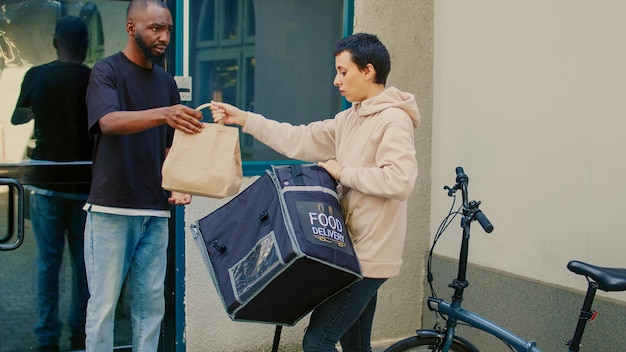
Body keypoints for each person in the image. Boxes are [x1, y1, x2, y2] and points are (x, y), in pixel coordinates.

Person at [210, 32, 420, 352]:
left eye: (342, 71)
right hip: (350, 251)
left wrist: (342, 172)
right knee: (356, 344)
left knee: (317, 342)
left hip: (370, 257)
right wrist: (244, 119)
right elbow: (299, 139)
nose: (336, 80)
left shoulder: (393, 120)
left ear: (368, 71)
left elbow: (400, 180)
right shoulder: (348, 118)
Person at [82, 0, 204, 351]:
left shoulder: (165, 81)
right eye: (156, 28)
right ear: (132, 28)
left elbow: (168, 149)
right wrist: (165, 113)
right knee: (103, 307)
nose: (164, 36)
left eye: (167, 28)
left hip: (154, 209)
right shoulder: (106, 71)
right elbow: (108, 122)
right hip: (111, 209)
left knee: (150, 307)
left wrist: (180, 183)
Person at [11, 15, 93, 352]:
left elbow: (18, 116)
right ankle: (80, 334)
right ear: (85, 45)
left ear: (56, 42)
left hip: (46, 184)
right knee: (83, 266)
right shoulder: (94, 78)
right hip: (85, 185)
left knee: (48, 265)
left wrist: (39, 110)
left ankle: (47, 339)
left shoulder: (37, 75)